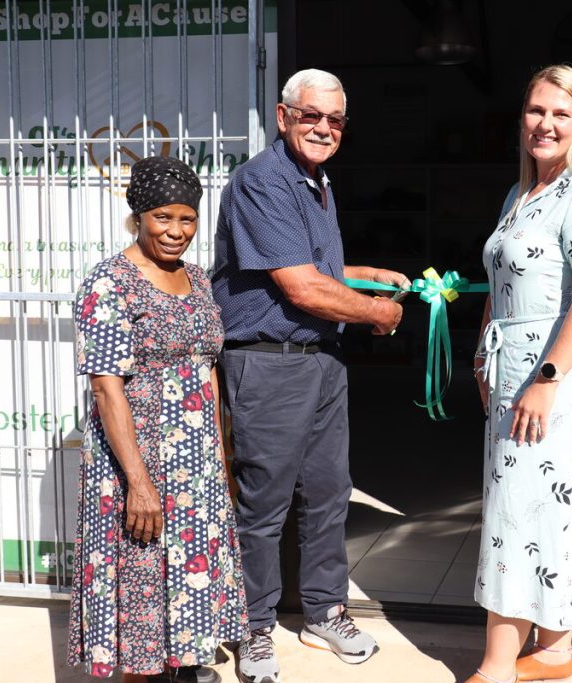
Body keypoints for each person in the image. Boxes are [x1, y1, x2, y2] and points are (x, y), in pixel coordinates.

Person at [210, 68, 408, 683]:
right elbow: (300, 287)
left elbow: (314, 265)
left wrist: (366, 274)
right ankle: (253, 628)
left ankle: (324, 611)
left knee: (327, 493)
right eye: (311, 116)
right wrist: (379, 313)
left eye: (335, 119)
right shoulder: (262, 182)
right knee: (264, 504)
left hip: (321, 358)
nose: (324, 128)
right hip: (269, 362)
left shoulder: (316, 181)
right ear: (283, 116)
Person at [468, 64, 572, 683]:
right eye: (537, 110)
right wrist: (483, 353)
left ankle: (497, 666)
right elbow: (501, 283)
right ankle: (555, 651)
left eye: (562, 113)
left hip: (556, 383)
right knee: (534, 512)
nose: (546, 123)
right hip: (514, 374)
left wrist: (548, 378)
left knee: (525, 513)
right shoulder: (521, 193)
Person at [67, 156, 249, 683]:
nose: (176, 231)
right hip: (137, 464)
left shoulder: (197, 278)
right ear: (139, 217)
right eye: (162, 217)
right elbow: (106, 388)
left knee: (189, 590)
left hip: (197, 467)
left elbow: (206, 369)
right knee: (141, 592)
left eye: (187, 219)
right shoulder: (110, 282)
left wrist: (220, 458)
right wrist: (139, 484)